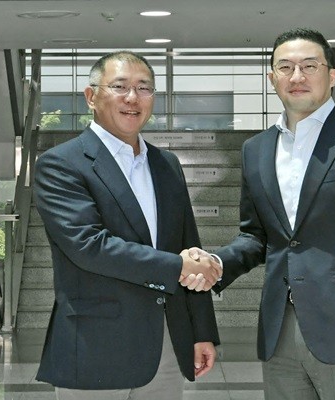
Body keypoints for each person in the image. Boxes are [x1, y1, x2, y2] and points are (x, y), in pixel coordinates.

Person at [183, 28, 335, 400]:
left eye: (309, 66)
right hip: (279, 332)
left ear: (331, 76)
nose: (297, 77)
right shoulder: (256, 149)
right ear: (272, 78)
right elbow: (256, 236)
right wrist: (217, 262)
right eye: (285, 67)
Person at [33, 51, 222, 400]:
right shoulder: (60, 164)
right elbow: (89, 246)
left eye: (144, 88)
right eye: (119, 86)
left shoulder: (167, 164)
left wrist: (201, 331)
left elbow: (188, 243)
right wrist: (178, 265)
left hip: (165, 346)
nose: (133, 98)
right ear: (92, 97)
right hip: (94, 349)